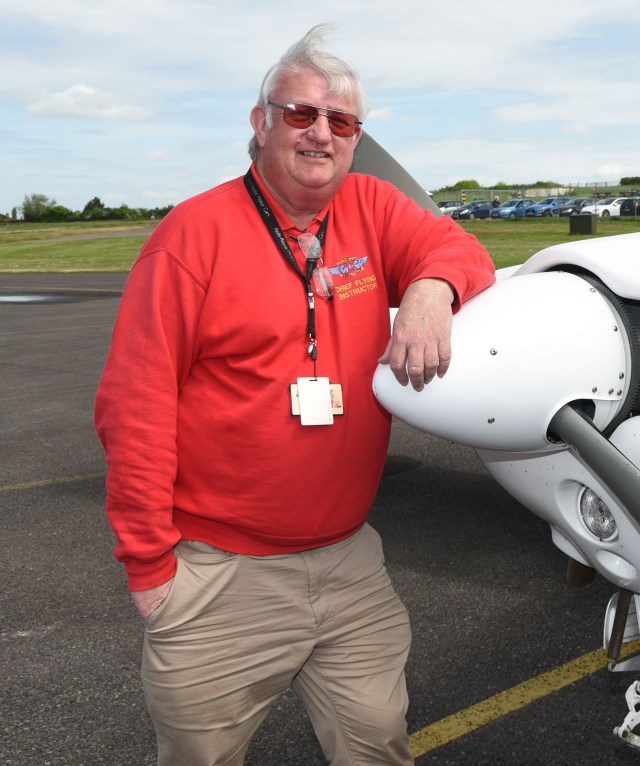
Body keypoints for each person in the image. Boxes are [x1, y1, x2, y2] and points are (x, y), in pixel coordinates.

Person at [94, 24, 494, 765]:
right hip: (220, 574)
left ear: (356, 136)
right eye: (300, 114)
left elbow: (461, 248)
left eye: (340, 122)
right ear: (261, 123)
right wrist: (151, 571)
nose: (320, 134)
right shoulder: (192, 237)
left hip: (348, 562)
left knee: (378, 742)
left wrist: (433, 290)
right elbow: (134, 407)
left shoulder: (372, 207)